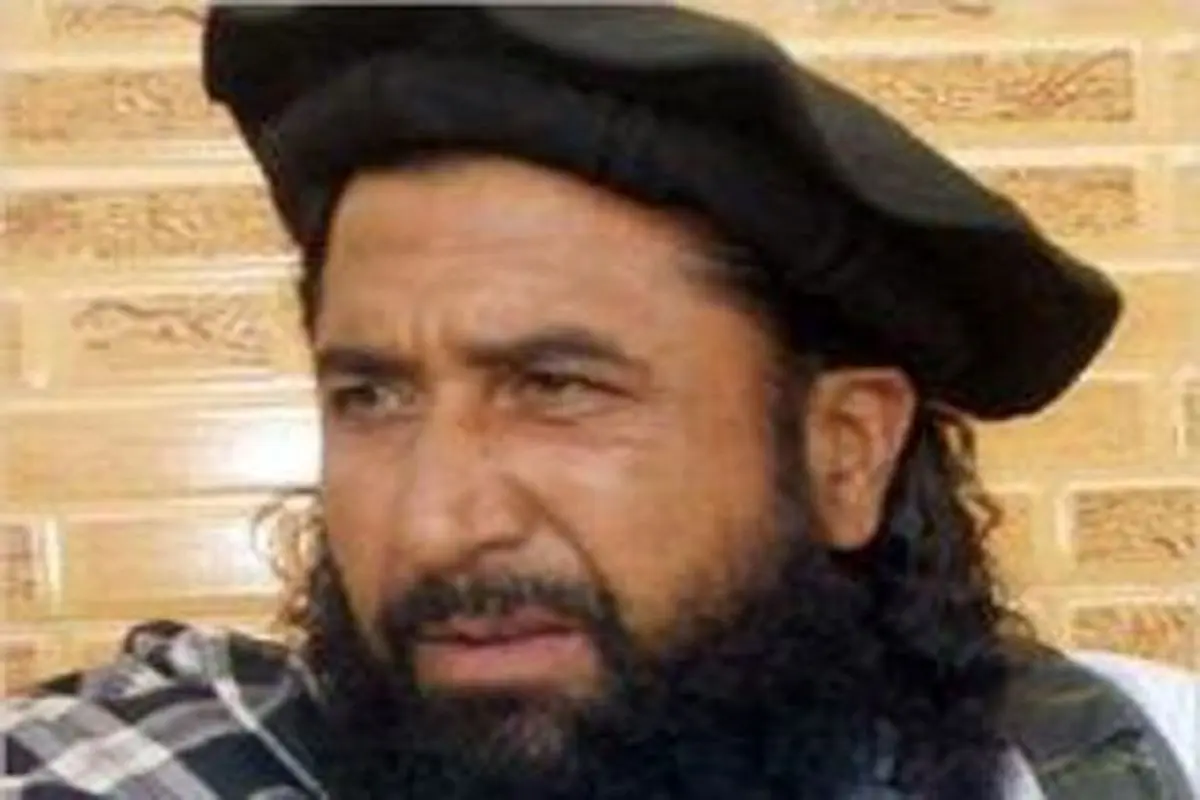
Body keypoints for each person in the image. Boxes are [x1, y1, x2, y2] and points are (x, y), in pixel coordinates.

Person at [2, 4, 1196, 799]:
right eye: (371, 394)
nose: (434, 522)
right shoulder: (204, 756)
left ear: (843, 451)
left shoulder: (1131, 762)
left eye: (558, 387)